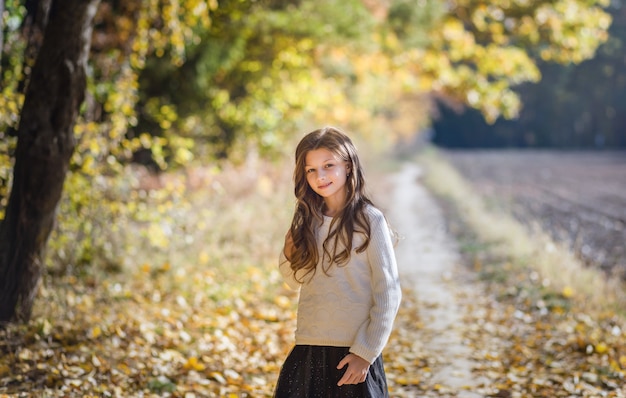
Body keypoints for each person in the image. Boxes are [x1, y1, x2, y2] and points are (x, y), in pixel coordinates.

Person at [274, 126, 402, 397]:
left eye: (328, 165)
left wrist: (365, 353)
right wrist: (288, 253)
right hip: (308, 349)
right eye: (311, 170)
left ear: (348, 165)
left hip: (353, 354)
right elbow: (294, 279)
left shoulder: (369, 221)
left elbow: (388, 293)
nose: (320, 176)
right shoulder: (307, 221)